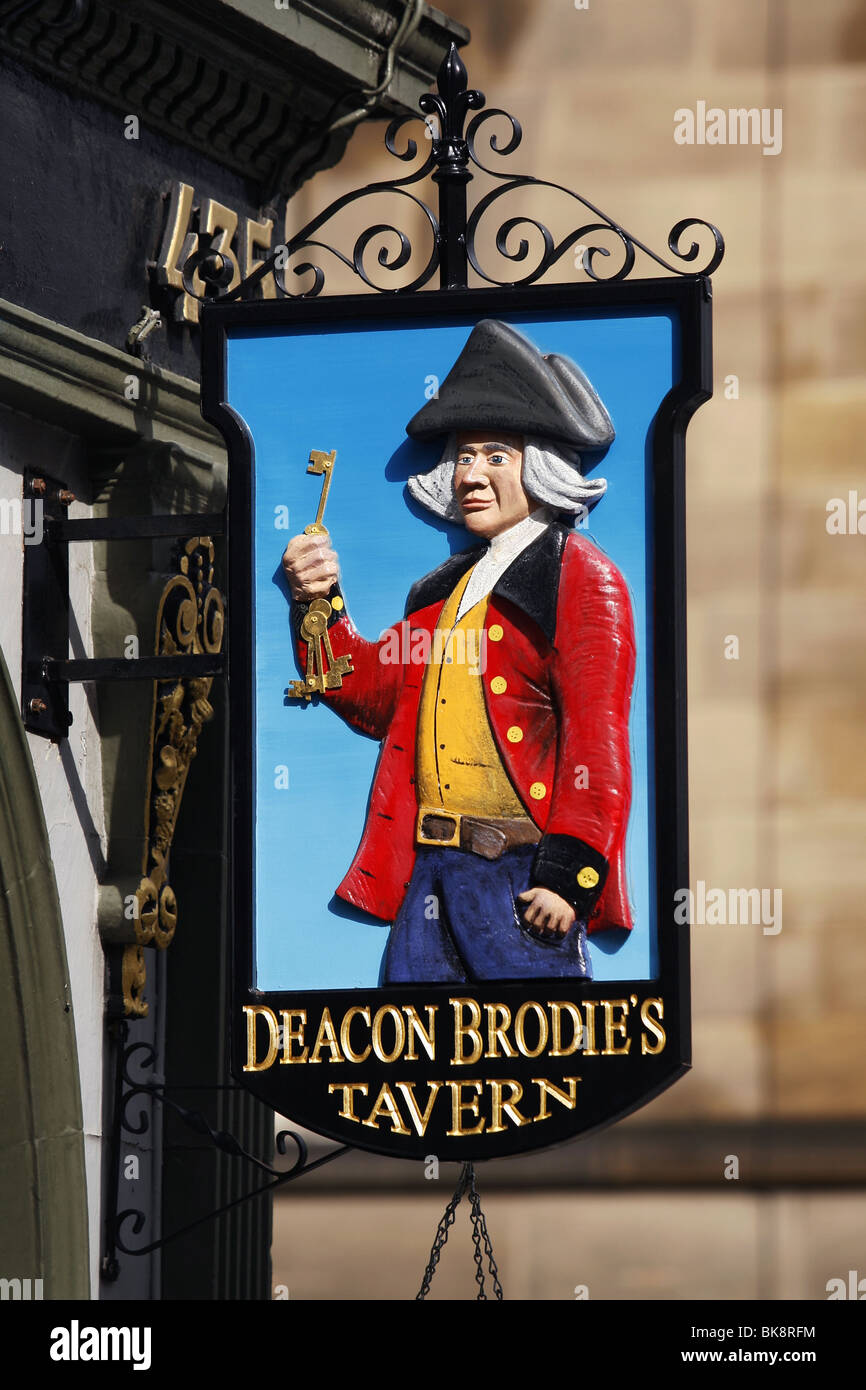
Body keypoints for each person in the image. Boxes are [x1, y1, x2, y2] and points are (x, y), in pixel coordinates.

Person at [281, 318, 636, 984]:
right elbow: (368, 695)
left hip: (522, 882)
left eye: (496, 455)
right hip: (428, 875)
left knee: (535, 1066)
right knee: (414, 1067)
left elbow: (597, 743)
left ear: (545, 468)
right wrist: (318, 600)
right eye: (465, 455)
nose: (473, 474)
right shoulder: (441, 590)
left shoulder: (582, 577)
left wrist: (569, 878)